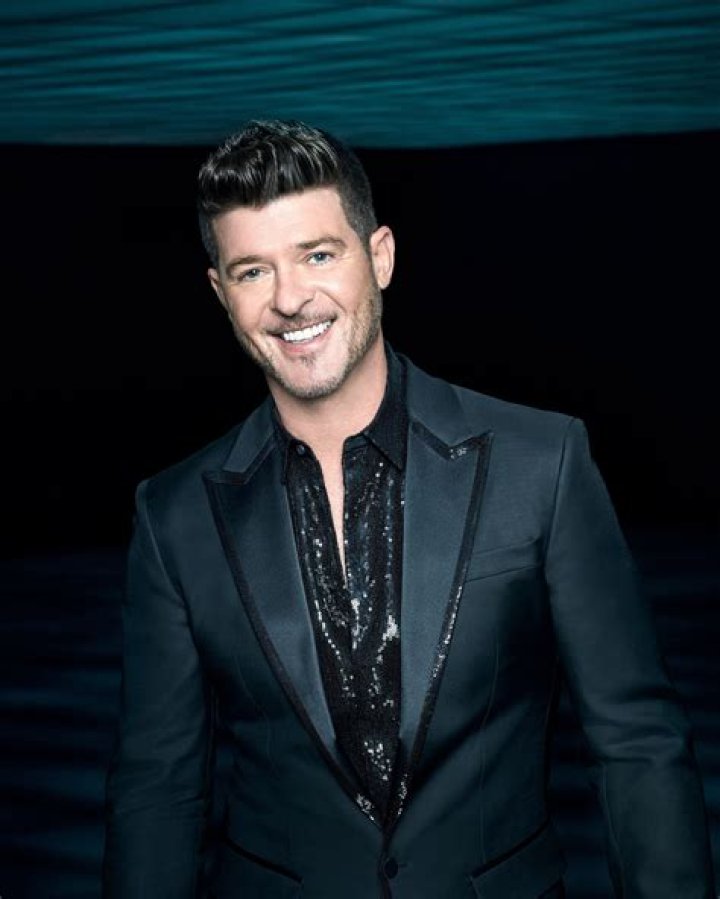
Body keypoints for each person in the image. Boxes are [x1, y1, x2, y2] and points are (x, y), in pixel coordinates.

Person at [103, 119, 714, 898]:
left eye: (318, 255)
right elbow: (157, 790)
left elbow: (637, 743)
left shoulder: (543, 462)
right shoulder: (173, 515)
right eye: (254, 270)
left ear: (380, 257)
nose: (290, 298)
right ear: (222, 293)